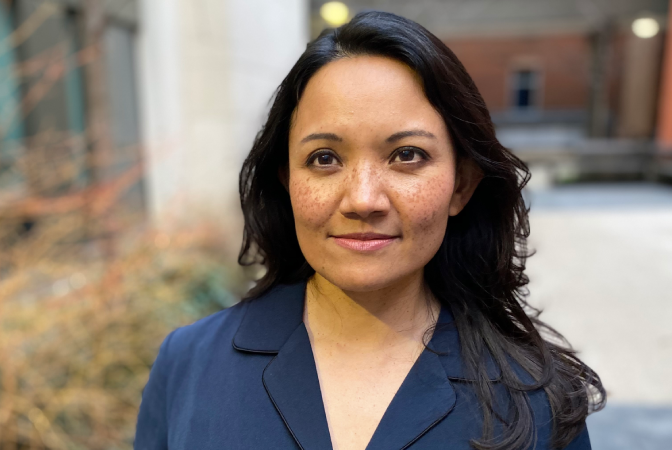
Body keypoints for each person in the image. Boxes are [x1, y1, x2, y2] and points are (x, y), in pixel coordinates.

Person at [134, 11, 604, 450]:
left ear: (461, 185)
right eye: (324, 158)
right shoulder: (187, 364)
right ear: (287, 180)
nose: (362, 200)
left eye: (406, 155)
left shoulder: (540, 401)